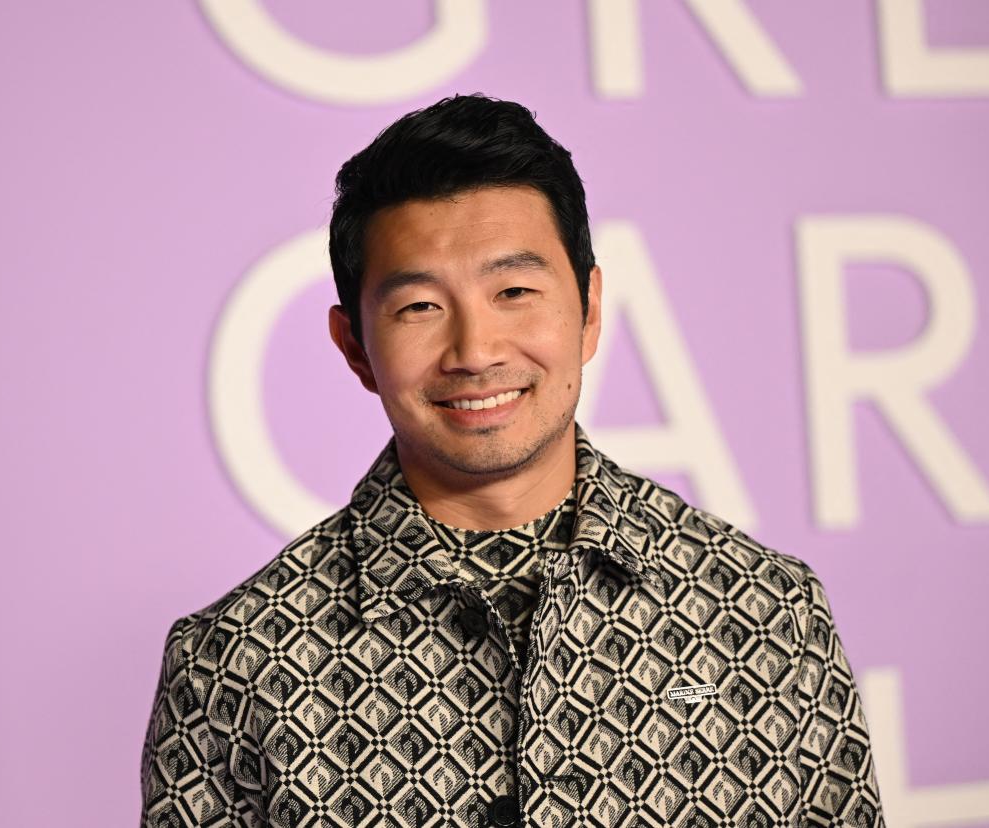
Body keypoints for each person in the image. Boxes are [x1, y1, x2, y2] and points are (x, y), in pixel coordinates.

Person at [140, 94, 885, 827]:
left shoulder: (762, 610)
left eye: (515, 290)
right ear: (355, 348)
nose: (476, 352)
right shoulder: (232, 665)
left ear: (589, 309)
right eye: (419, 308)